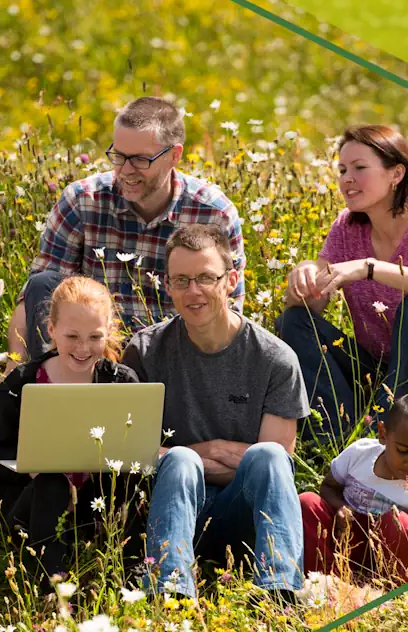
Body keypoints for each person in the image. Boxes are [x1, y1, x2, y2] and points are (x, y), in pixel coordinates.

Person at [121, 224, 310, 600]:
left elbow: (274, 468)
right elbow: (133, 453)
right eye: (181, 280)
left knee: (266, 456)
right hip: (166, 507)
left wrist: (185, 456)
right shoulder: (144, 351)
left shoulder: (274, 359)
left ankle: (279, 590)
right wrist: (200, 455)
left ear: (231, 279)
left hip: (242, 512)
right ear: (168, 286)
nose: (194, 291)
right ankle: (170, 590)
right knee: (179, 462)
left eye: (206, 277)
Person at [279, 124, 408, 442]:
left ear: (396, 174)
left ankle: (382, 432)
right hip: (381, 371)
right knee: (294, 321)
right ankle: (336, 438)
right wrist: (304, 276)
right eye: (342, 169)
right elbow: (313, 301)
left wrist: (371, 269)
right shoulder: (346, 228)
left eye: (359, 168)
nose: (346, 178)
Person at [7, 96, 245, 363]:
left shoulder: (213, 213)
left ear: (174, 155)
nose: (125, 171)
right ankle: (54, 391)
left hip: (174, 358)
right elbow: (34, 299)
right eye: (119, 156)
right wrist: (14, 373)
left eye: (141, 160)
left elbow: (228, 311)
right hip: (91, 355)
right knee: (44, 284)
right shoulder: (82, 201)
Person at [0, 276, 142, 581]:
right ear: (51, 330)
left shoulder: (121, 381)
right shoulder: (24, 381)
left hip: (93, 504)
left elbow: (139, 451)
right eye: (72, 336)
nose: (83, 348)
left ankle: (132, 569)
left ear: (109, 333)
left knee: (136, 483)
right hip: (29, 504)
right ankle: (49, 581)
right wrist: (30, 466)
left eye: (95, 337)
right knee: (52, 478)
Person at [299, 393, 408, 606]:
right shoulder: (360, 454)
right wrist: (340, 507)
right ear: (383, 434)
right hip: (343, 542)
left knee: (401, 524)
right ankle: (323, 584)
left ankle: (381, 592)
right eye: (402, 451)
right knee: (307, 502)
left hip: (386, 560)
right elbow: (327, 487)